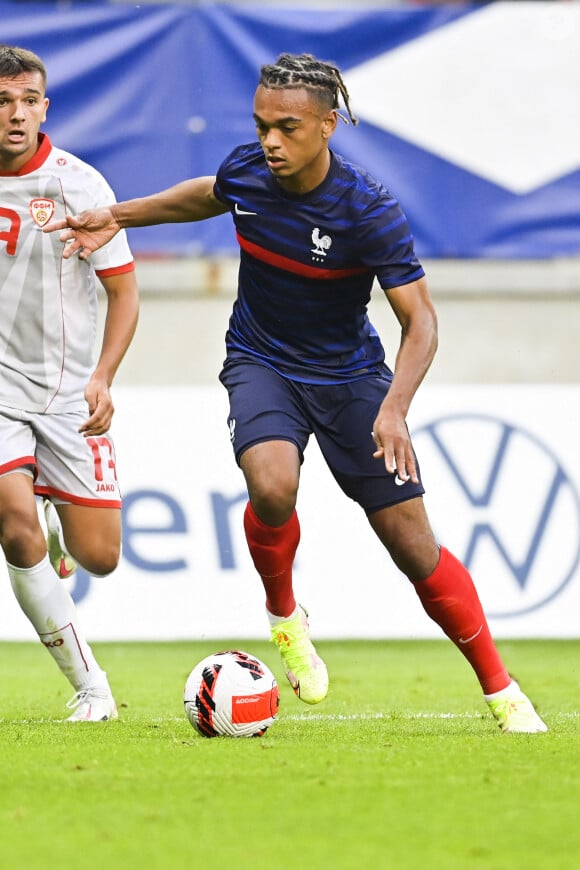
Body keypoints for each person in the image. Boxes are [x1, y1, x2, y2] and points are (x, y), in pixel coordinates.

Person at [47, 52, 546, 734]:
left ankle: (501, 689)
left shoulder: (368, 209)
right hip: (262, 361)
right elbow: (207, 192)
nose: (270, 142)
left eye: (286, 127)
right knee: (272, 484)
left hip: (351, 379)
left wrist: (394, 407)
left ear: (328, 125)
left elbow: (421, 320)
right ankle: (284, 615)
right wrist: (119, 215)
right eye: (261, 126)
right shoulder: (250, 169)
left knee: (413, 546)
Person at [0, 46, 139, 721]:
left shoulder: (80, 187)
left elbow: (124, 291)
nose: (15, 114)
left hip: (65, 393)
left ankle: (59, 531)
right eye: (2, 101)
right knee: (14, 524)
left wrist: (104, 378)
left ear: (45, 107)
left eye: (27, 100)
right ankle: (92, 688)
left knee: (100, 556)